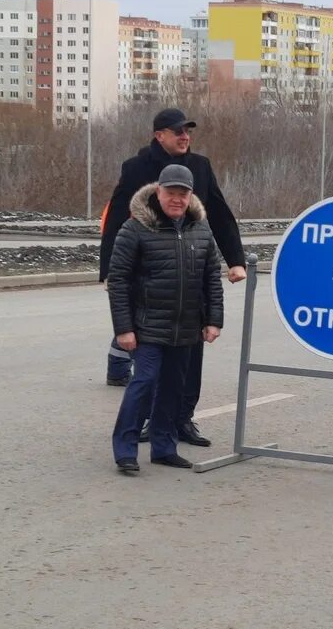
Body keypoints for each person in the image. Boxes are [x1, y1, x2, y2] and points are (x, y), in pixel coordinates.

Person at [100, 108, 246, 448]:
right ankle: (153, 419)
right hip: (151, 278)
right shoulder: (136, 168)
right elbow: (118, 216)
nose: (185, 137)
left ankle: (182, 419)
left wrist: (235, 260)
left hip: (192, 274)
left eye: (187, 131)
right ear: (159, 135)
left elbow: (221, 217)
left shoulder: (201, 167)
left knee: (190, 359)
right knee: (152, 359)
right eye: (177, 131)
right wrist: (107, 269)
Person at [108, 165, 224, 472]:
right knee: (143, 382)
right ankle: (125, 449)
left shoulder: (201, 228)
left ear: (190, 196)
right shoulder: (135, 228)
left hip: (186, 327)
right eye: (170, 193)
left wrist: (214, 320)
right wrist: (124, 328)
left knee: (174, 388)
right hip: (147, 326)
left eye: (182, 194)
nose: (176, 199)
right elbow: (118, 279)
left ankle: (163, 447)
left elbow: (212, 276)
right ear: (158, 192)